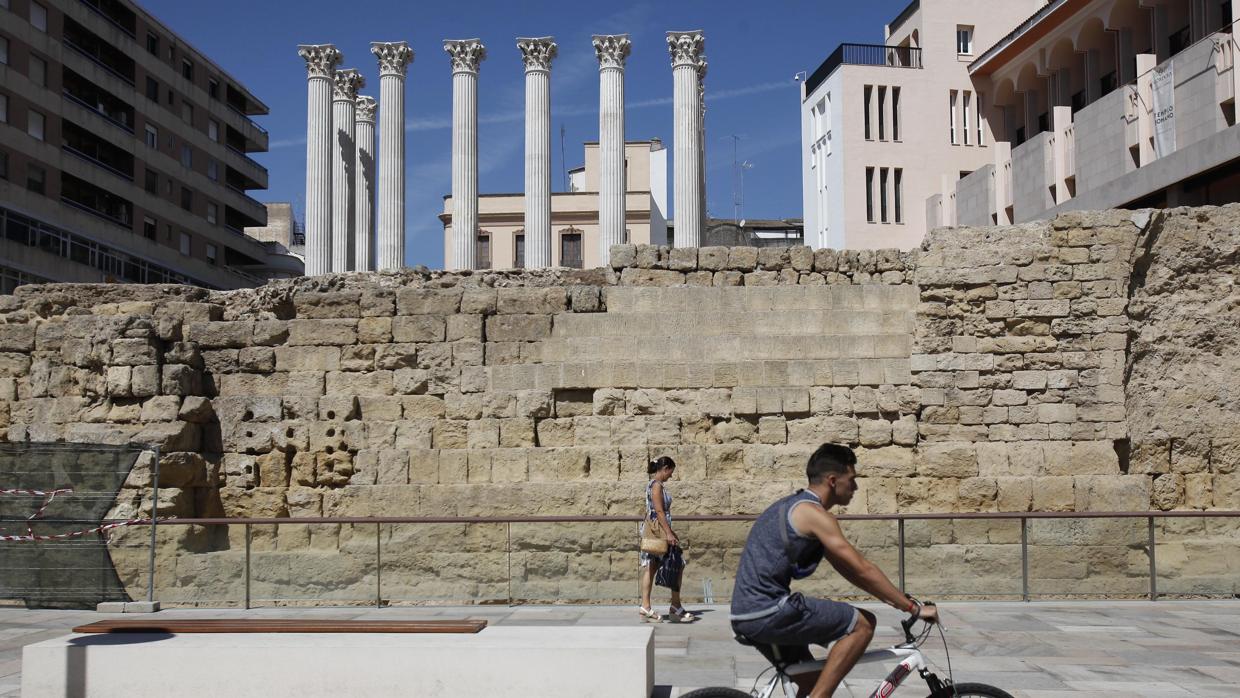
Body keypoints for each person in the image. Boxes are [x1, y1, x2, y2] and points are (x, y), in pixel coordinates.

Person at [730, 443, 938, 698]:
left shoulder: (791, 505)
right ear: (832, 480)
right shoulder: (814, 514)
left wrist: (894, 599)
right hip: (768, 610)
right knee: (863, 624)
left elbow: (850, 571)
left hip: (748, 612)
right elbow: (863, 568)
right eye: (852, 480)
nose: (855, 488)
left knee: (812, 686)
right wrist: (912, 608)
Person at [638, 455, 697, 623]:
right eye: (670, 472)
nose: (671, 475)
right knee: (678, 563)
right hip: (659, 533)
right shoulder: (656, 486)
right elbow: (660, 512)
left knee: (651, 567)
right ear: (664, 469)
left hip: (658, 531)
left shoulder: (654, 485)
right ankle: (674, 607)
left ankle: (646, 606)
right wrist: (669, 533)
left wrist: (670, 532)